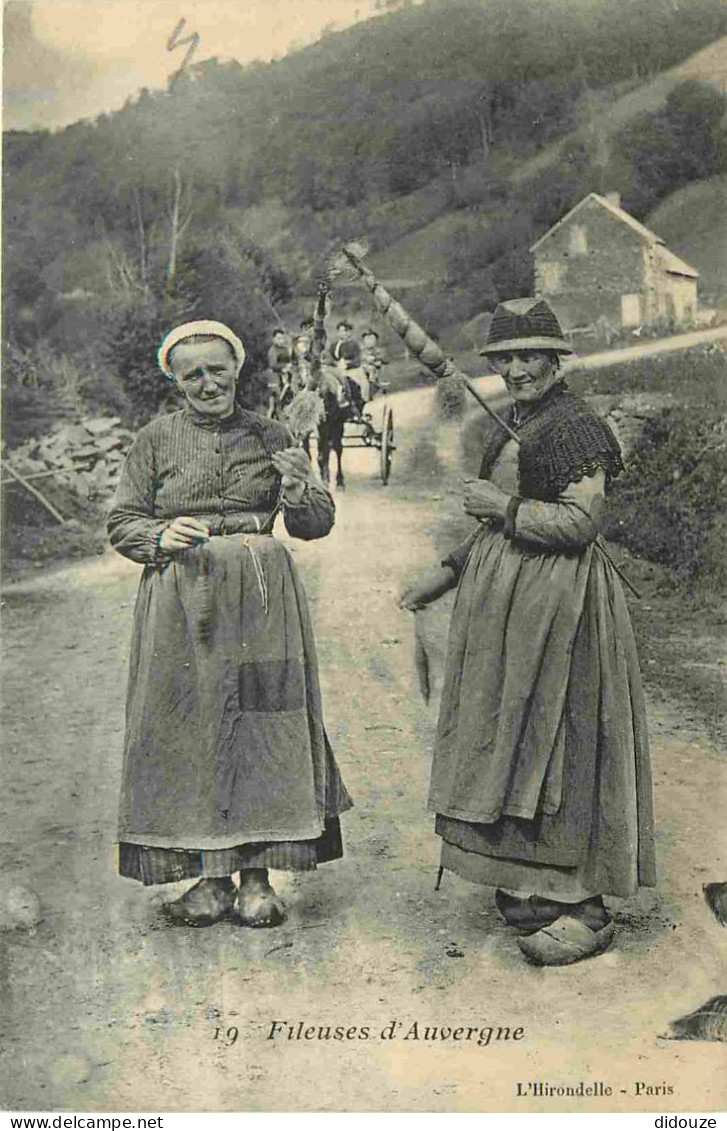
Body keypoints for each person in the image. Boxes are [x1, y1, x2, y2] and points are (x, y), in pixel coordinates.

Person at [400, 298, 655, 966]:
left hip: (562, 608)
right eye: (504, 358)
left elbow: (580, 524)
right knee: (513, 740)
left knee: (560, 741)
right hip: (509, 610)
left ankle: (585, 905)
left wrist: (503, 506)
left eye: (528, 355)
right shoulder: (512, 422)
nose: (516, 369)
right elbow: (489, 526)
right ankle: (536, 883)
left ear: (554, 357)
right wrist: (444, 572)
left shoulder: (574, 427)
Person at [108, 320, 351, 928]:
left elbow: (315, 525)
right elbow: (122, 524)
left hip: (262, 604)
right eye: (192, 374)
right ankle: (210, 882)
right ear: (176, 380)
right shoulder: (154, 441)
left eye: (217, 369)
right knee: (189, 726)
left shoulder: (273, 435)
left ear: (237, 370)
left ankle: (258, 882)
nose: (206, 382)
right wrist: (160, 534)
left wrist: (300, 487)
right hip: (180, 604)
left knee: (262, 727)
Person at [331, 321, 365, 416]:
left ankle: (356, 404)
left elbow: (358, 360)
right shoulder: (334, 345)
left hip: (352, 370)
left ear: (349, 332)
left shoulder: (354, 344)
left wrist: (347, 363)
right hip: (337, 370)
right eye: (340, 331)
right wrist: (335, 363)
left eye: (345, 331)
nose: (342, 333)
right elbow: (330, 358)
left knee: (352, 383)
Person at [266, 327, 291, 418]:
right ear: (274, 339)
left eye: (282, 339)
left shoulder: (285, 349)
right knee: (276, 403)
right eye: (278, 338)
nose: (281, 341)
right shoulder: (272, 351)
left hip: (285, 376)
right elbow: (273, 364)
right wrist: (284, 367)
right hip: (275, 377)